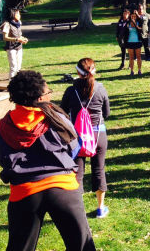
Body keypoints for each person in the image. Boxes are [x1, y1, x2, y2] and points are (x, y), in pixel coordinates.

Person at [0, 70, 96, 251]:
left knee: (20, 247)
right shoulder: (57, 117)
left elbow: (0, 155)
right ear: (40, 98)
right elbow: (75, 147)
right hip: (63, 188)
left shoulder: (4, 125)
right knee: (81, 245)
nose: (50, 94)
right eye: (48, 92)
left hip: (25, 191)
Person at [61, 58, 111, 218]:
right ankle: (100, 207)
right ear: (94, 71)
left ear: (77, 72)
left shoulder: (70, 91)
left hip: (76, 137)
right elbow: (107, 113)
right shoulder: (101, 89)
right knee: (99, 169)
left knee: (77, 172)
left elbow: (62, 111)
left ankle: (78, 210)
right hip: (98, 135)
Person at [2, 9, 28, 78]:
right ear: (13, 15)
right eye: (18, 14)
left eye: (19, 14)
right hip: (11, 48)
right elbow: (5, 37)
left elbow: (19, 35)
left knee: (18, 67)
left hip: (19, 47)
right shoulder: (7, 24)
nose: (19, 15)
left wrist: (23, 39)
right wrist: (16, 39)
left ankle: (18, 84)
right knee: (13, 67)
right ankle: (11, 84)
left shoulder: (19, 23)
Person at [126, 9, 144, 76]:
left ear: (136, 16)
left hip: (137, 42)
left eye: (134, 16)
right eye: (132, 16)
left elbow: (140, 30)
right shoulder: (128, 23)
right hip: (130, 42)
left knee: (138, 56)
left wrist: (135, 24)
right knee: (131, 57)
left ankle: (139, 70)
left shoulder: (139, 22)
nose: (133, 17)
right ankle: (132, 71)